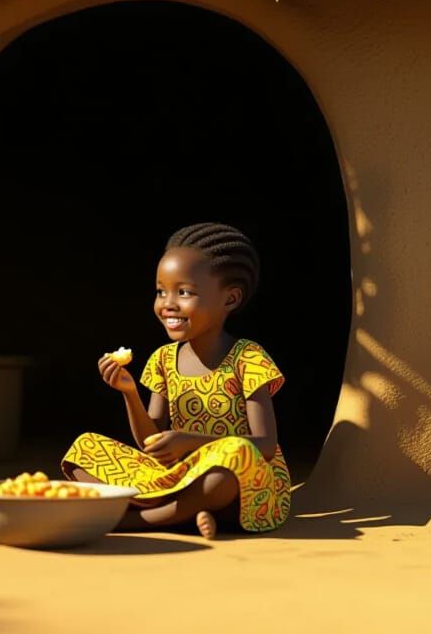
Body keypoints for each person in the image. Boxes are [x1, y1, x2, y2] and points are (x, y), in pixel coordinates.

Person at [62, 223, 290, 538]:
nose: (167, 303)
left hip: (237, 478)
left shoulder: (247, 358)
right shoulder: (163, 359)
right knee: (84, 449)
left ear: (230, 299)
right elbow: (149, 444)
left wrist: (191, 441)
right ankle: (186, 514)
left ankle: (137, 520)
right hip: (177, 476)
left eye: (184, 292)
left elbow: (265, 445)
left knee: (228, 466)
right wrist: (130, 393)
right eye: (161, 291)